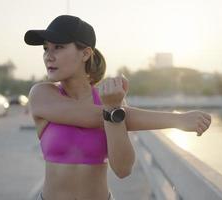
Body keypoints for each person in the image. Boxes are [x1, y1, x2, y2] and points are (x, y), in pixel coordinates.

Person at [24, 15, 211, 200]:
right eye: (46, 48)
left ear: (86, 53)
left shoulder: (109, 101)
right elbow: (92, 116)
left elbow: (123, 169)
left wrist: (114, 108)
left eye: (58, 47)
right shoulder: (42, 94)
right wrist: (177, 120)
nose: (49, 56)